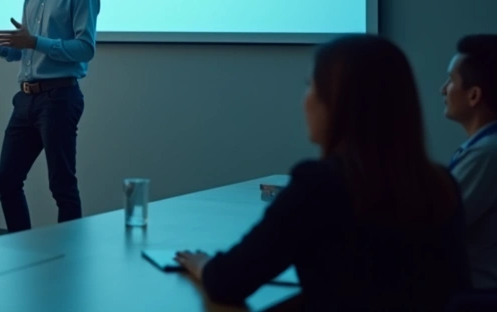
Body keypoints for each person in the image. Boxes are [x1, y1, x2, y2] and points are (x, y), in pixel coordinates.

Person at [175, 34, 470, 311]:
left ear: (338, 102)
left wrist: (202, 264)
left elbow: (228, 280)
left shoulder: (319, 185)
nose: (305, 100)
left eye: (311, 86)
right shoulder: (441, 184)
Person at [0, 0, 100, 232]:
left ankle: (69, 254)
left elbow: (85, 48)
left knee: (62, 185)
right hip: (25, 99)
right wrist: (1, 47)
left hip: (59, 97)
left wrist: (35, 41)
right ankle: (22, 245)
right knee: (6, 180)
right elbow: (28, 50)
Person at [443, 34, 497, 290]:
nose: (443, 89)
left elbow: (435, 224)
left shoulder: (486, 154)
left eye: (451, 81)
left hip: (475, 295)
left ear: (474, 95)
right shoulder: (483, 149)